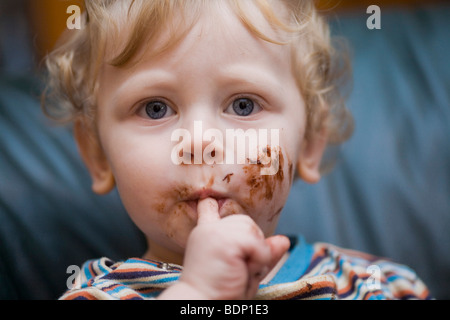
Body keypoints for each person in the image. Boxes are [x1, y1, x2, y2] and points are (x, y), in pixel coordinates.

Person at [42, 0, 431, 300]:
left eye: (243, 105)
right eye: (155, 108)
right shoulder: (95, 293)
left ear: (311, 141)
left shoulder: (377, 285)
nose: (199, 142)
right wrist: (196, 294)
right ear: (96, 154)